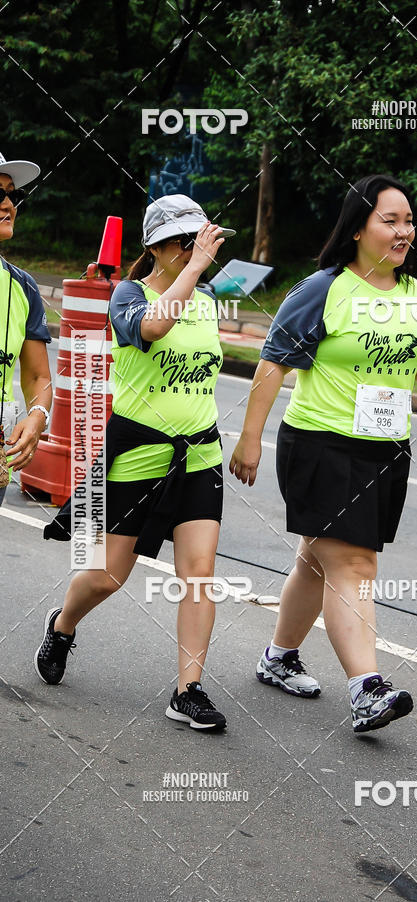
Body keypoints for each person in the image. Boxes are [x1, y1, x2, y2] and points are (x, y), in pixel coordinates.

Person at [230, 174, 417, 734]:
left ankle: (277, 658)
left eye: (408, 220)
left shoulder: (416, 296)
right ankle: (367, 689)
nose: (404, 231)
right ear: (358, 229)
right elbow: (273, 362)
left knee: (315, 559)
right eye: (390, 220)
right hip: (320, 444)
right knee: (354, 565)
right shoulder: (324, 289)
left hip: (384, 452)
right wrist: (251, 438)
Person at [35, 194, 235, 733]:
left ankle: (188, 690)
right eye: (185, 241)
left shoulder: (209, 298)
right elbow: (152, 329)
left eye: (200, 240)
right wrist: (193, 268)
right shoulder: (128, 294)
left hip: (198, 454)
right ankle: (62, 623)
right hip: (138, 457)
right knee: (107, 576)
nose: (197, 250)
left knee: (199, 575)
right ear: (157, 247)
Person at [0, 150, 52, 503]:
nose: (8, 204)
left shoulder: (24, 287)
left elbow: (37, 377)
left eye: (12, 194)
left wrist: (37, 416)